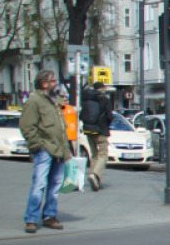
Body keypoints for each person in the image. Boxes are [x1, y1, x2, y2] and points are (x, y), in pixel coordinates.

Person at [20, 70, 70, 233]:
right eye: (53, 81)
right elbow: (27, 126)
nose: (56, 83)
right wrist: (38, 146)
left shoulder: (55, 101)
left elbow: (62, 127)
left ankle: (50, 216)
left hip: (59, 149)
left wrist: (66, 149)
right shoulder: (35, 100)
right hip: (45, 149)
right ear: (44, 84)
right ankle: (31, 219)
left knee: (55, 185)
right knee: (39, 184)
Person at [81, 81, 114, 190]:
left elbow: (81, 115)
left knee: (94, 154)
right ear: (103, 88)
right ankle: (95, 175)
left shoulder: (87, 100)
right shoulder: (105, 100)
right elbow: (110, 116)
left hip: (89, 131)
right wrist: (108, 124)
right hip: (101, 131)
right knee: (103, 155)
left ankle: (94, 177)